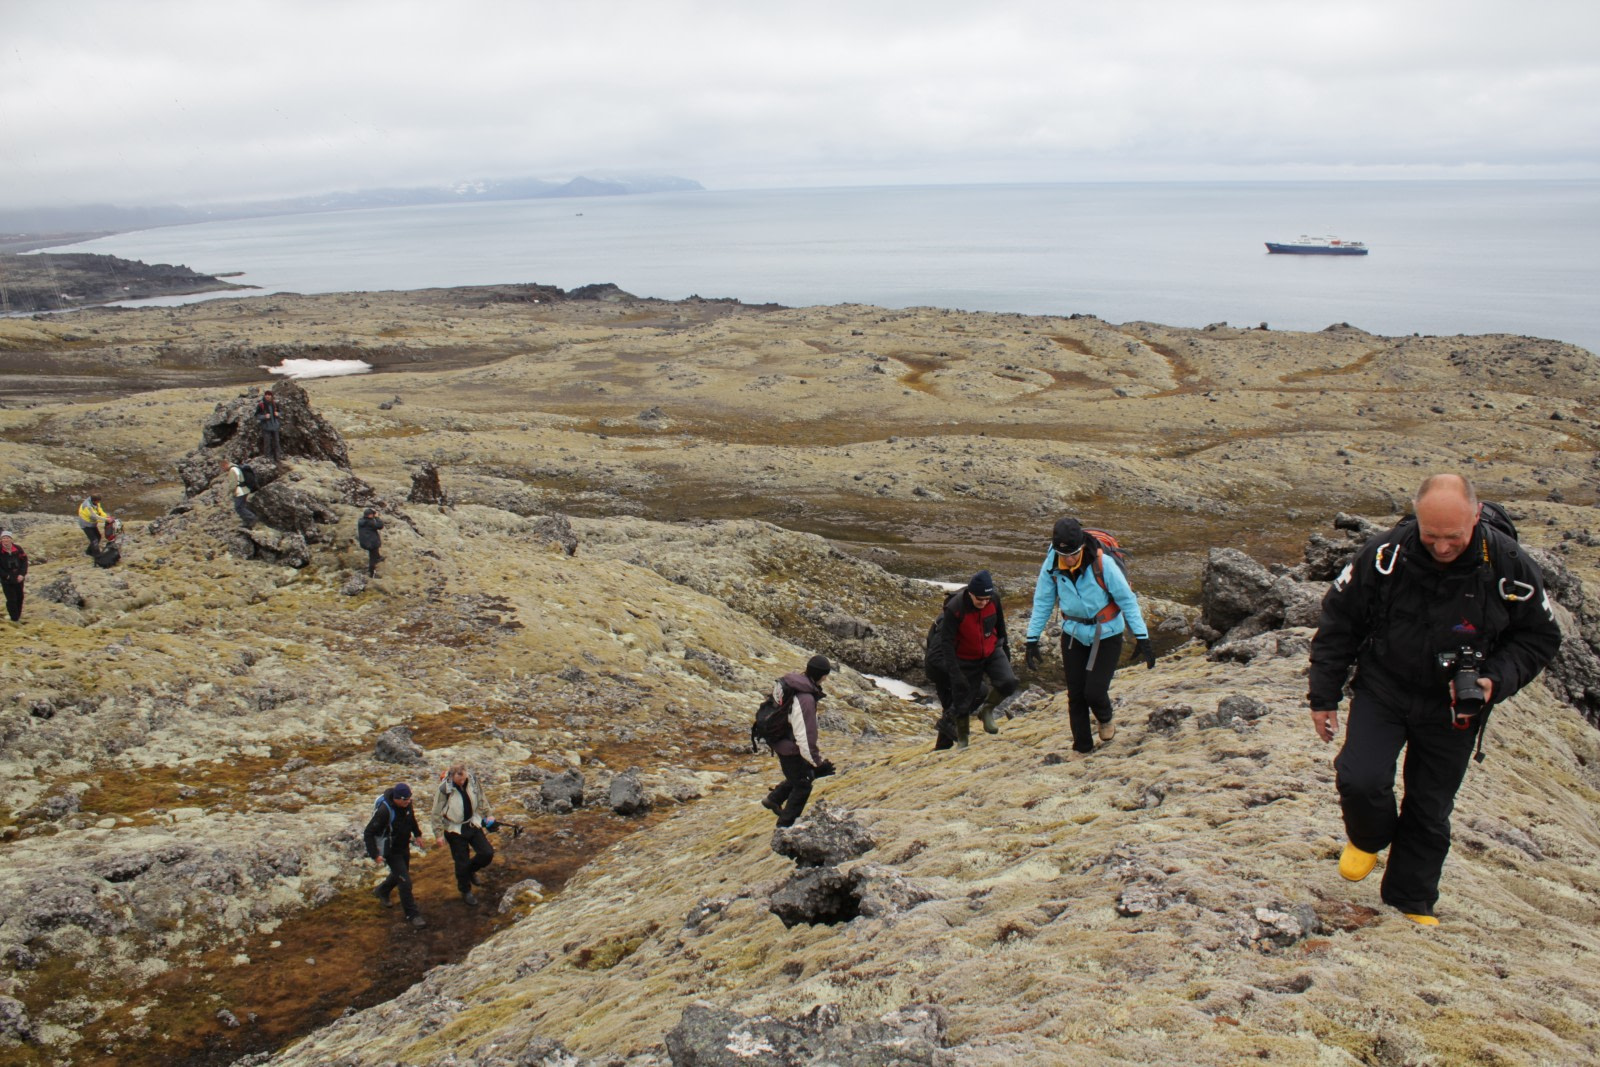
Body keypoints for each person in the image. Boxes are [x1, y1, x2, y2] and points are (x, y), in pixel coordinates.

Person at [1308, 473, 1560, 926]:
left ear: (1477, 516)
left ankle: (1411, 902)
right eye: (1431, 536)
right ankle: (1369, 837)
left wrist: (1492, 682)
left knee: (1429, 805)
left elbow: (1539, 638)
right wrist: (1322, 695)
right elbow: (1339, 622)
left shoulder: (1510, 565)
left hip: (1455, 704)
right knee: (1359, 777)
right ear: (1416, 518)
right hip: (1384, 687)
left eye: (1454, 537)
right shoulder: (1384, 555)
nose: (1442, 547)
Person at [1025, 518, 1155, 753]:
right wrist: (1032, 638)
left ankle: (1104, 717)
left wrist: (1141, 636)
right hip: (1073, 635)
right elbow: (1043, 601)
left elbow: (1127, 600)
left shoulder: (1103, 564)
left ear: (1082, 547)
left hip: (1107, 634)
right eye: (1064, 554)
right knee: (1075, 696)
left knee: (1094, 692)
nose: (1069, 559)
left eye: (1073, 554)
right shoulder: (1051, 564)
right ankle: (1082, 748)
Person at [926, 570, 1017, 749]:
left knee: (967, 699)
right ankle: (945, 749)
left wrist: (1004, 651)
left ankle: (948, 744)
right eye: (980, 599)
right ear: (970, 594)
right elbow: (935, 656)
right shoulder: (952, 613)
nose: (984, 603)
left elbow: (1000, 628)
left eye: (987, 599)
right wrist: (957, 675)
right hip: (943, 667)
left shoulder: (993, 601)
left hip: (973, 658)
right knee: (962, 700)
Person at [761, 655, 835, 828]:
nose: (826, 679)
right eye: (825, 675)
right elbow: (805, 736)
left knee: (801, 775)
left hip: (781, 740)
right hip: (789, 747)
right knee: (803, 784)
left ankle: (773, 799)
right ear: (821, 676)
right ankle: (784, 828)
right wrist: (817, 763)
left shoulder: (793, 684)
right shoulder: (806, 699)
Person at [364, 782, 427, 928]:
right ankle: (412, 915)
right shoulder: (384, 812)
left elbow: (411, 819)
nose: (408, 802)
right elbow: (368, 833)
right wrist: (374, 854)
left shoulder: (407, 804)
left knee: (400, 874)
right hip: (391, 850)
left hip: (404, 846)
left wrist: (417, 835)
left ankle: (382, 891)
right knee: (405, 882)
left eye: (409, 799)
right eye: (405, 800)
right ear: (397, 799)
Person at [432, 764, 496, 906]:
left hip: (472, 823)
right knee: (461, 862)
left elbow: (481, 797)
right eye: (459, 780)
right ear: (452, 776)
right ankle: (465, 890)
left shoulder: (472, 781)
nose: (462, 782)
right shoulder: (444, 789)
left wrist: (488, 814)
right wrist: (438, 833)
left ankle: (471, 870)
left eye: (463, 779)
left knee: (487, 853)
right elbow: (436, 812)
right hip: (454, 829)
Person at [0, 530, 27, 623]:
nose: (5, 540)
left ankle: (18, 616)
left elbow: (24, 562)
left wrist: (22, 574)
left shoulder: (18, 549)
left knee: (20, 597)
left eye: (7, 538)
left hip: (18, 578)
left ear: (11, 539)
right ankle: (14, 619)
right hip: (6, 579)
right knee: (11, 599)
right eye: (3, 538)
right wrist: (6, 576)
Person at [222, 459, 257, 529]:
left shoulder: (232, 470)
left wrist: (229, 492)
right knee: (241, 506)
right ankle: (248, 522)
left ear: (225, 464)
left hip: (240, 491)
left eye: (222, 467)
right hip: (244, 489)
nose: (222, 469)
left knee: (238, 507)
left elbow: (233, 483)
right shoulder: (236, 467)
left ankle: (251, 518)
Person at [255, 390, 283, 462]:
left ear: (271, 396)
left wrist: (278, 414)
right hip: (266, 428)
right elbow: (256, 415)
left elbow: (281, 412)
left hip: (275, 427)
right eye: (266, 394)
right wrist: (264, 416)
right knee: (267, 443)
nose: (267, 396)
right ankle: (268, 458)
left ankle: (278, 458)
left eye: (269, 394)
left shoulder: (275, 404)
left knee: (277, 442)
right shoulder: (261, 405)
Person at [357, 507, 384, 577]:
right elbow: (380, 526)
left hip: (365, 542)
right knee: (372, 557)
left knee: (374, 551)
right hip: (371, 543)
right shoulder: (370, 522)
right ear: (370, 515)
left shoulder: (361, 521)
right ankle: (371, 572)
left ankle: (378, 557)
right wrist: (377, 518)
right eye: (372, 514)